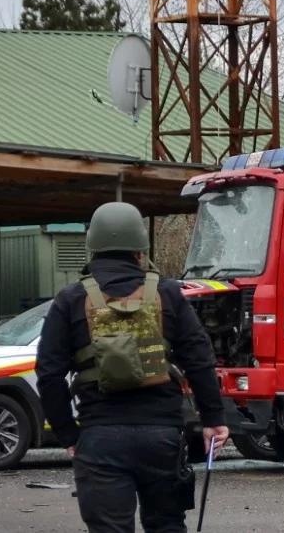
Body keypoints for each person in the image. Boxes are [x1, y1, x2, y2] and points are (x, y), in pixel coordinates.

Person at [35, 201, 229, 533]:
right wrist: (213, 420)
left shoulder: (70, 299)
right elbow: (199, 360)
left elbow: (49, 374)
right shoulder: (167, 293)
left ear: (92, 246)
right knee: (167, 524)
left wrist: (69, 435)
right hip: (162, 437)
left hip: (100, 437)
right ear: (141, 250)